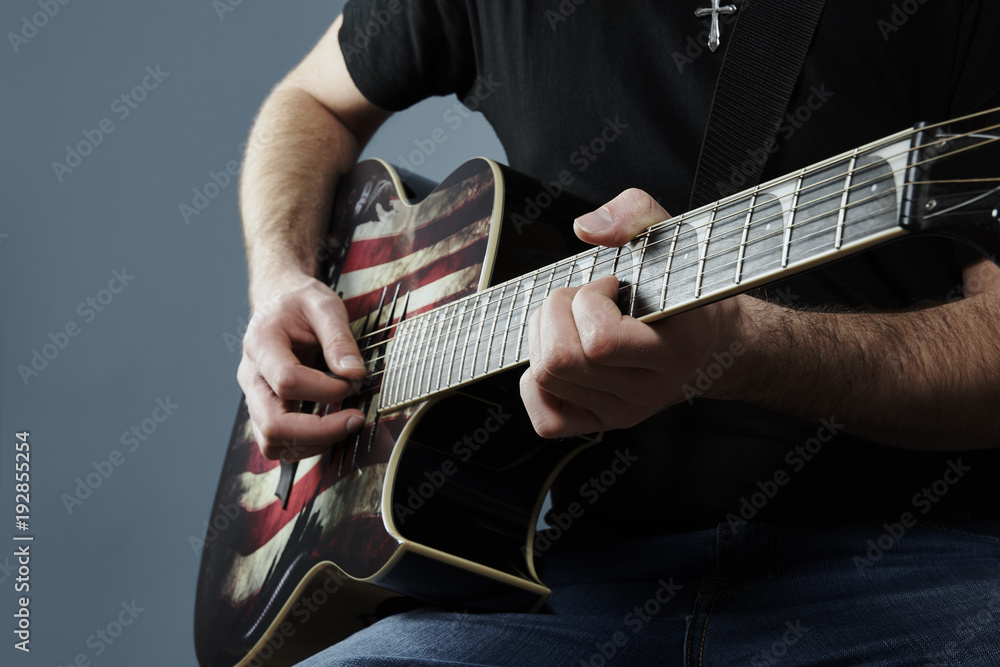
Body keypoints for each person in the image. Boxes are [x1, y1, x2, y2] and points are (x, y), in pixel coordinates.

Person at [236, 1, 1000, 664]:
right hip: (569, 586)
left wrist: (748, 351)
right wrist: (279, 277)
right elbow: (312, 100)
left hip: (916, 562)